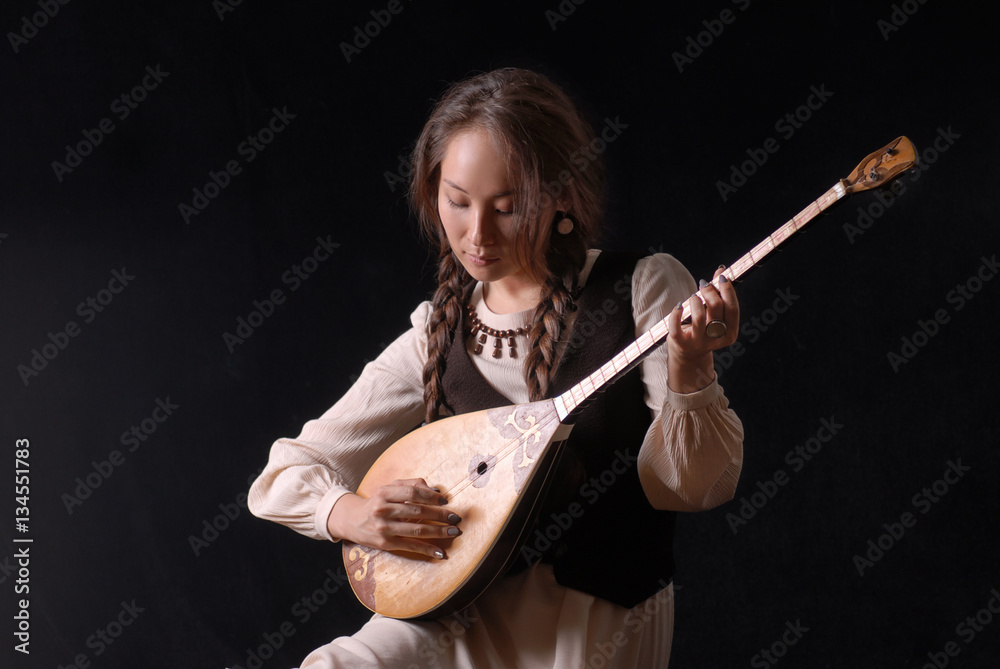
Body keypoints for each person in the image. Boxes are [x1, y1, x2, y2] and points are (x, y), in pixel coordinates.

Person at [248, 67, 744, 668]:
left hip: (589, 627)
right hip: (451, 614)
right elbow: (284, 474)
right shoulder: (436, 331)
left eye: (507, 208)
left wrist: (691, 371)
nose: (476, 234)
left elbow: (694, 487)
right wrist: (353, 515)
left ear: (562, 198)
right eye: (457, 201)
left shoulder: (641, 286)